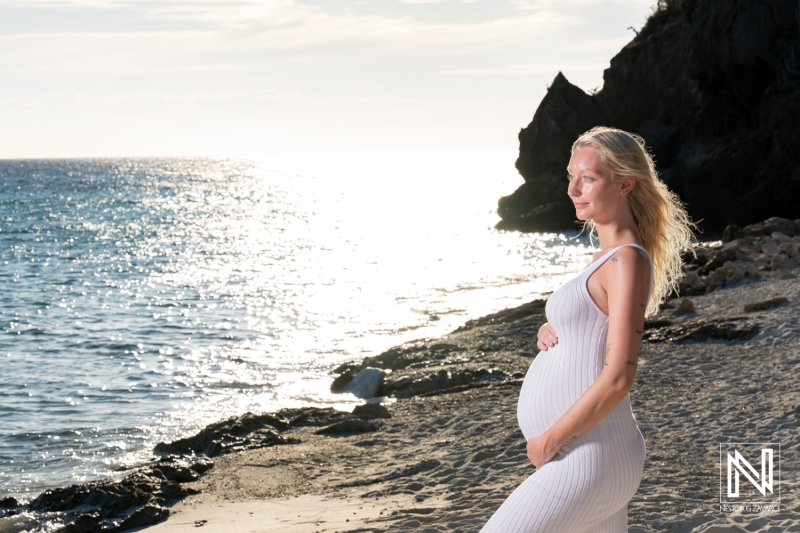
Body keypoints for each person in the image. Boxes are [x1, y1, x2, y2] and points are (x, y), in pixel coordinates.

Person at [480, 126, 696, 532]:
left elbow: (618, 377)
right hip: (592, 454)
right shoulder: (607, 258)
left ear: (625, 185)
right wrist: (554, 328)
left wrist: (549, 441)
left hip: (588, 456)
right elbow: (593, 326)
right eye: (570, 177)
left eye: (589, 178)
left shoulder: (626, 259)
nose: (573, 190)